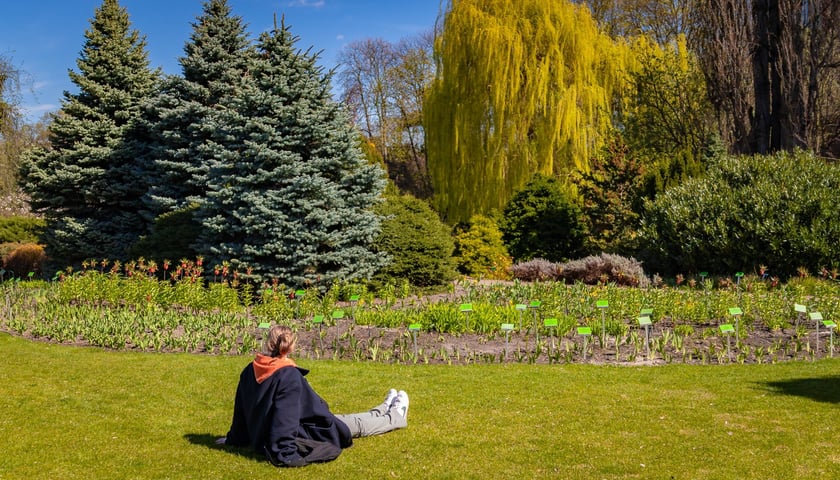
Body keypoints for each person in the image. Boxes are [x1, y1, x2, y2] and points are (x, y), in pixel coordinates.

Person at [216, 325, 409, 467]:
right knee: (354, 425)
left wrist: (235, 438)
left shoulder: (251, 369)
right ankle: (396, 416)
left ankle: (383, 408)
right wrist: (285, 452)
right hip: (307, 431)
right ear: (291, 347)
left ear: (268, 343)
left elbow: (241, 411)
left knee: (347, 419)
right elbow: (285, 418)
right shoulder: (288, 376)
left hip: (301, 423)